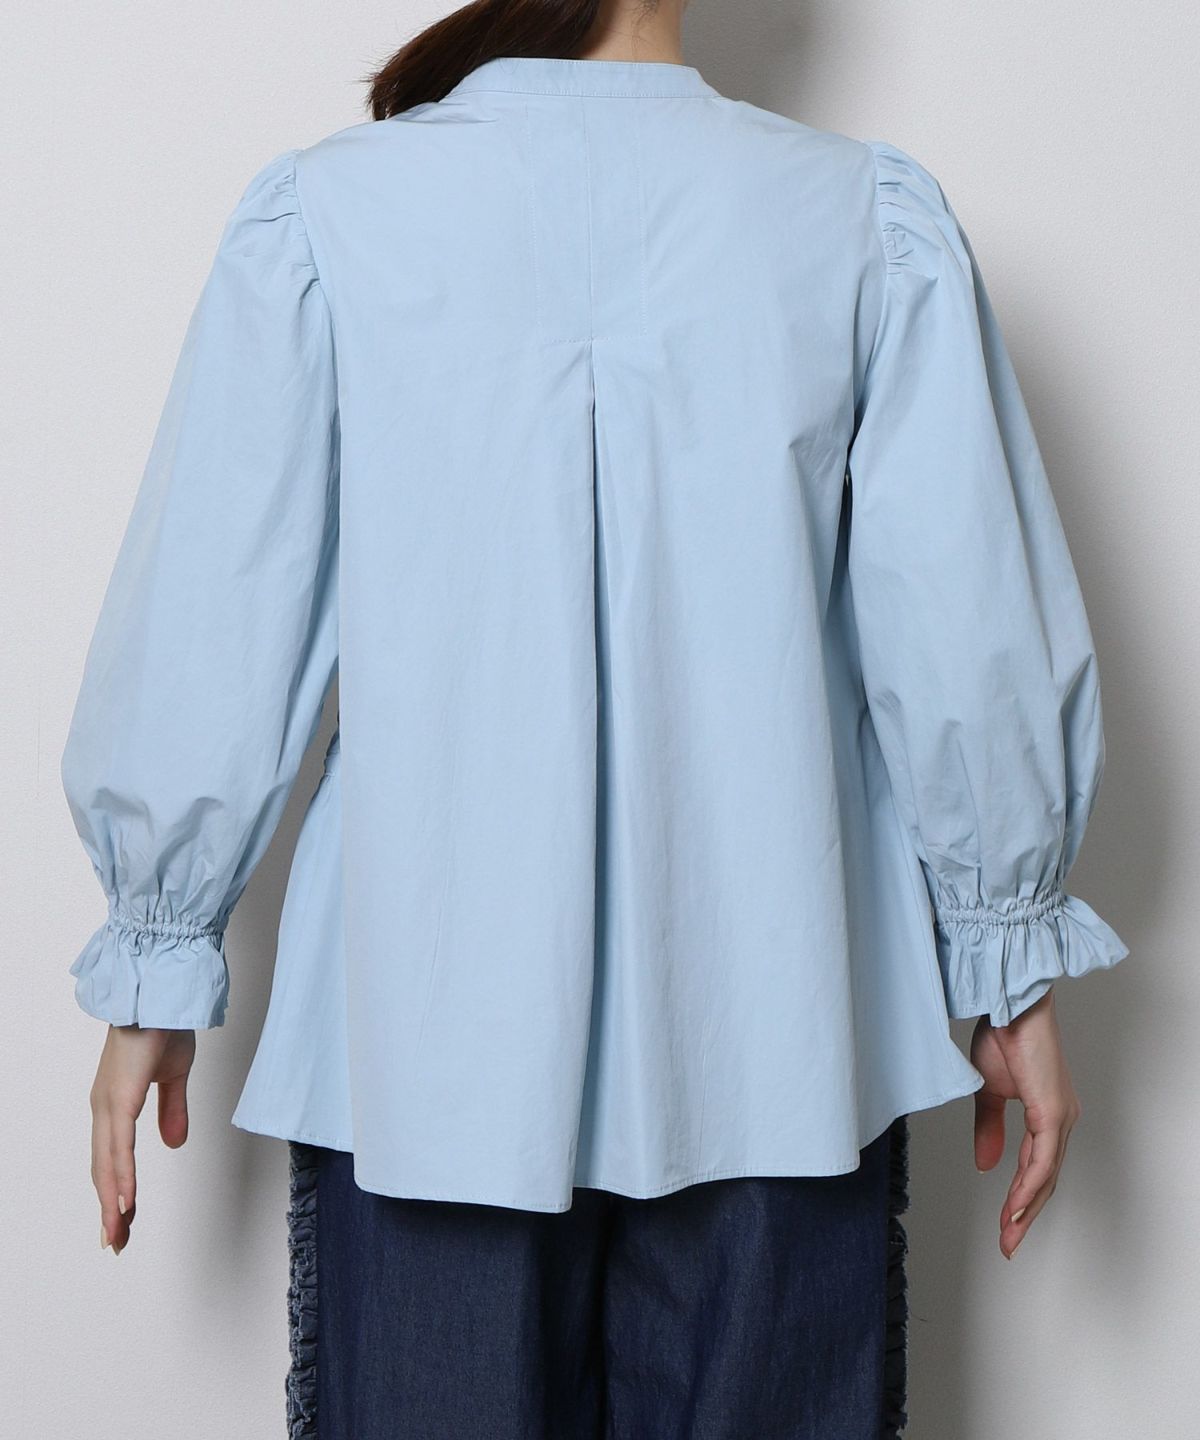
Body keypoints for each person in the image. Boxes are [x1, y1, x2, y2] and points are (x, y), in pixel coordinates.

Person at [61, 1, 1130, 1435]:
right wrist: (1012, 970)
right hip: (779, 1040)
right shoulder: (859, 223)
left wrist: (155, 956)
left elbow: (220, 609)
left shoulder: (332, 218)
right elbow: (966, 628)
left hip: (428, 1048)